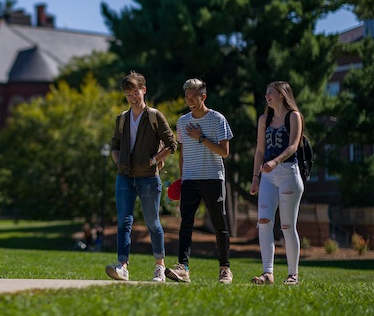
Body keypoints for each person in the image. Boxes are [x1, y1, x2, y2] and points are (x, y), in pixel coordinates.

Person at [105, 71, 177, 282]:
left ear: (143, 91)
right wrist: (118, 161)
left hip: (148, 178)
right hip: (124, 177)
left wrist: (154, 160)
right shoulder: (122, 118)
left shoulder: (154, 116)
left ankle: (159, 267)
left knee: (153, 222)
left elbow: (172, 144)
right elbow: (115, 145)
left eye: (135, 92)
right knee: (123, 222)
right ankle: (122, 266)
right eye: (128, 94)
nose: (132, 97)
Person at [165, 78, 234, 284]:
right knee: (186, 224)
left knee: (219, 225)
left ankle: (225, 269)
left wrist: (201, 138)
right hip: (190, 180)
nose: (190, 101)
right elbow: (182, 153)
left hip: (213, 178)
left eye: (194, 97)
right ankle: (183, 268)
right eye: (187, 97)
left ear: (204, 97)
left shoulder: (217, 119)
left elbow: (224, 152)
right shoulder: (182, 121)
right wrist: (182, 176)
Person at [249, 81, 305, 285]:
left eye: (270, 92)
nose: (267, 96)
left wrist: (276, 161)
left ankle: (293, 275)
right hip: (267, 176)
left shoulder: (294, 116)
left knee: (288, 226)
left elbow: (293, 146)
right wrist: (255, 178)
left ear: (282, 94)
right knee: (264, 222)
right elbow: (260, 151)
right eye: (266, 93)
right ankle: (268, 273)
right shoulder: (264, 119)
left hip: (289, 173)